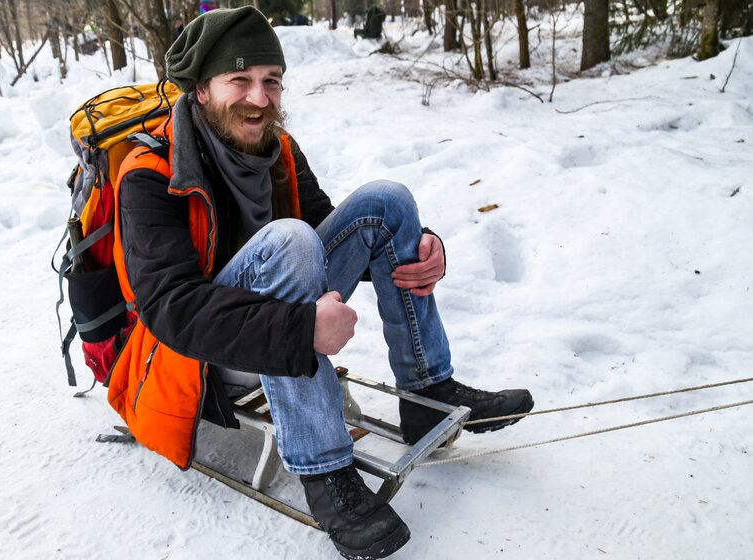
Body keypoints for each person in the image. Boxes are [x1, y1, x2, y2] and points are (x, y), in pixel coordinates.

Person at [112, 7, 534, 559]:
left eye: (270, 82)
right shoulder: (150, 175)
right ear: (200, 92)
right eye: (239, 80)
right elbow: (172, 311)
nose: (259, 99)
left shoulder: (277, 148)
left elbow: (340, 231)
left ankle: (428, 391)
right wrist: (298, 327)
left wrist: (421, 245)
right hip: (201, 354)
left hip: (278, 318)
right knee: (289, 240)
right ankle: (325, 470)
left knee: (386, 201)